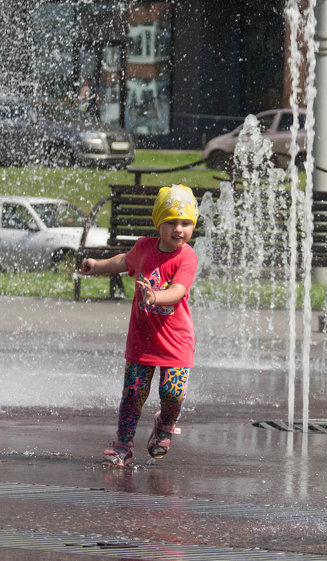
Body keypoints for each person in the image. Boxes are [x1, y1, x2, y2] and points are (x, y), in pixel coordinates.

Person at [77, 184, 200, 466]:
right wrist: (97, 265)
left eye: (185, 223)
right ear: (159, 222)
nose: (178, 229)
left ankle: (165, 425)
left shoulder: (187, 257)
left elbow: (179, 290)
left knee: (172, 393)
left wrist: (155, 296)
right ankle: (123, 446)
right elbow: (124, 261)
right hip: (142, 340)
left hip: (176, 341)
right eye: (171, 222)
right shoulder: (144, 247)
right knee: (133, 394)